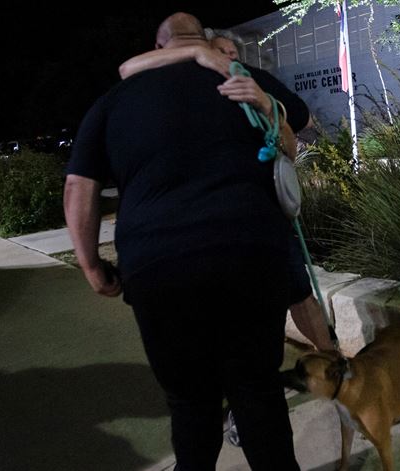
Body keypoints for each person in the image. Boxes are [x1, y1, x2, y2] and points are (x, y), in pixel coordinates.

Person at [65, 12, 311, 470]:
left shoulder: (113, 100)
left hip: (157, 264)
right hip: (250, 251)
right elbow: (300, 124)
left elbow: (80, 186)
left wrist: (92, 266)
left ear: (157, 49)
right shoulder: (239, 75)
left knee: (191, 401)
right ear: (204, 40)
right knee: (257, 390)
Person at [120, 25, 333, 353]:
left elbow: (299, 123)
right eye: (219, 53)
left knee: (295, 292)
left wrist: (265, 104)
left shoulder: (250, 81)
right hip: (208, 225)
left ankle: (329, 358)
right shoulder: (179, 83)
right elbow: (127, 69)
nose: (230, 61)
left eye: (235, 55)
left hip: (262, 212)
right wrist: (194, 53)